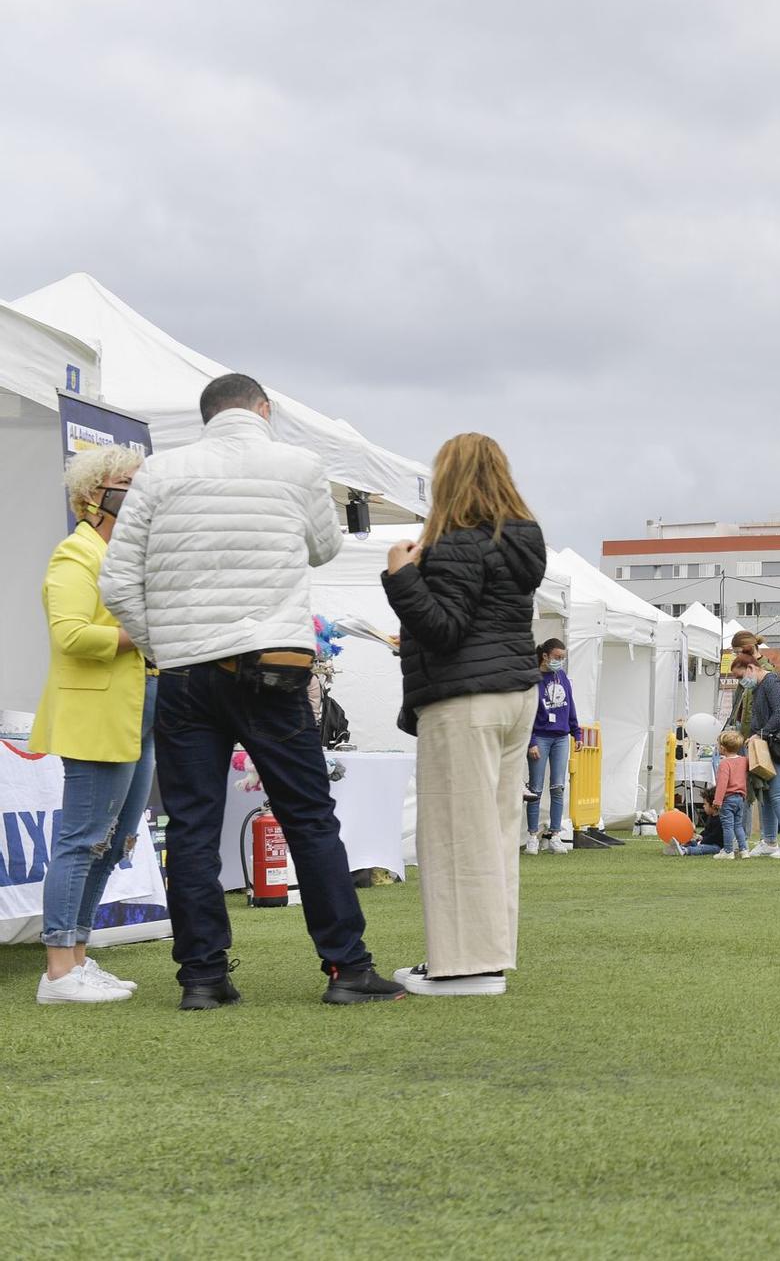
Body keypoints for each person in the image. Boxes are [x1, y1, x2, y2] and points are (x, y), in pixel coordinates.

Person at [100, 373, 402, 1008]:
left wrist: (165, 646)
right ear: (263, 411)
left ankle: (203, 978)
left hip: (185, 673)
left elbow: (117, 583)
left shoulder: (159, 473)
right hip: (272, 666)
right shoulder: (298, 464)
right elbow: (323, 548)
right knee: (310, 819)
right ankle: (346, 969)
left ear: (206, 416)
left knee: (191, 829)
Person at [379, 434, 547, 997]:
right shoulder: (519, 543)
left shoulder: (455, 545)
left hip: (464, 700)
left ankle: (463, 966)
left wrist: (402, 576)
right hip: (514, 694)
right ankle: (486, 957)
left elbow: (444, 628)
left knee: (454, 832)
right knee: (495, 833)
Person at [29, 446, 151, 1004]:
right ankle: (58, 969)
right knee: (82, 840)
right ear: (93, 494)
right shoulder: (74, 556)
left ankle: (77, 953)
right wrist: (143, 634)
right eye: (126, 483)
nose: (136, 492)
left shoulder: (127, 553)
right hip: (98, 713)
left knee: (114, 841)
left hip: (138, 712)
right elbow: (72, 636)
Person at [733, 653, 780, 859]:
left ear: (752, 668)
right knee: (766, 796)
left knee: (779, 794)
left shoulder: (773, 684)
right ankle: (769, 841)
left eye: (740, 676)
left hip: (779, 747)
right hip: (766, 747)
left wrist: (760, 733)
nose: (740, 681)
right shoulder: (759, 687)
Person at [524, 638, 582, 855]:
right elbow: (526, 712)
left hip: (561, 738)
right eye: (557, 657)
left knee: (558, 787)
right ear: (545, 656)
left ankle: (555, 835)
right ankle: (532, 836)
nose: (560, 661)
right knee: (535, 790)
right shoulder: (533, 679)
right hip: (539, 736)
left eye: (563, 658)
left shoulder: (562, 676)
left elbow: (570, 706)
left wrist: (577, 733)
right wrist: (530, 742)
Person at [713, 731, 750, 859]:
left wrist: (717, 801)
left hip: (728, 798)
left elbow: (722, 783)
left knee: (727, 825)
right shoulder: (744, 760)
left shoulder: (724, 763)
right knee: (738, 825)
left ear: (723, 748)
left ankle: (728, 851)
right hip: (740, 798)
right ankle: (744, 849)